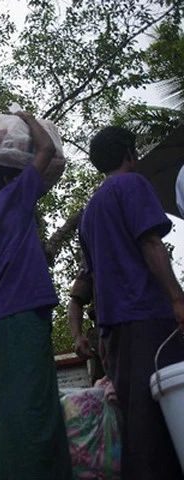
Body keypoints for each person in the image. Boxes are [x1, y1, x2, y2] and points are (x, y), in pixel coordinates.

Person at [78, 125, 184, 479]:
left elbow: (92, 280)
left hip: (115, 330)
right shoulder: (133, 185)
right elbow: (151, 244)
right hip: (149, 318)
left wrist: (101, 333)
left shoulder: (90, 211)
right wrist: (178, 299)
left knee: (137, 424)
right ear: (129, 152)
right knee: (166, 413)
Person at [0, 111, 71, 479]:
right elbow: (46, 149)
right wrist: (27, 118)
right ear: (7, 178)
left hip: (4, 321)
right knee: (33, 407)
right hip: (20, 317)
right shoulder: (13, 197)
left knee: (16, 408)